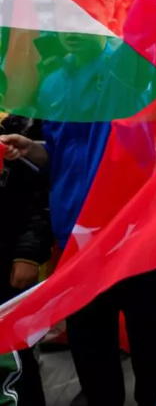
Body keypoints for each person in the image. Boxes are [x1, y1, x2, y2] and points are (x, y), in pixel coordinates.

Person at [2, 0, 156, 406]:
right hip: (76, 246)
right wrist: (32, 150)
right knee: (92, 357)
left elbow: (147, 21)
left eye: (84, 18)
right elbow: (59, 154)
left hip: (132, 239)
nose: (70, 30)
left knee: (151, 354)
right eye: (62, 19)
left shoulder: (124, 71)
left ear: (109, 19)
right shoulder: (53, 81)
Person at [0, 114, 50, 406]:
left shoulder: (17, 118)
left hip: (7, 268)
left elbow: (36, 196)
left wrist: (28, 253)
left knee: (17, 360)